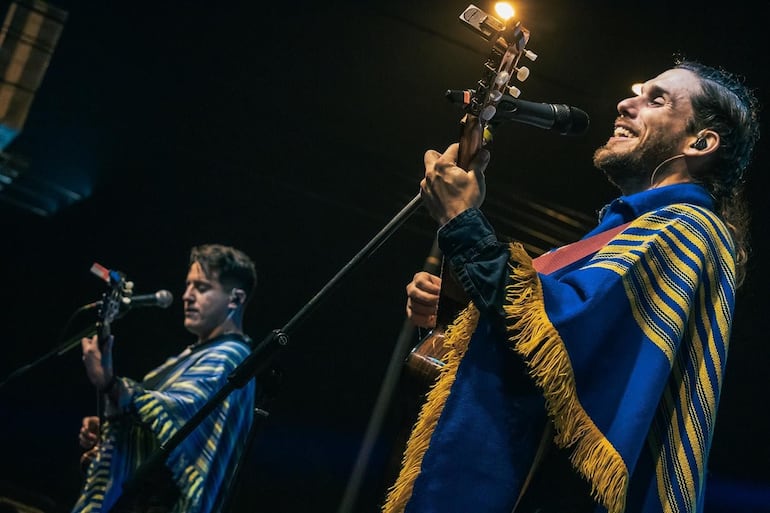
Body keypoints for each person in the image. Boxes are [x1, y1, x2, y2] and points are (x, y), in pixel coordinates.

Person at [381, 59, 760, 513]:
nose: (625, 102)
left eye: (656, 99)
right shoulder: (621, 235)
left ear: (700, 142)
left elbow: (559, 330)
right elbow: (544, 342)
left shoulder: (689, 228)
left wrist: (463, 223)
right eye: (637, 91)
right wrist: (459, 309)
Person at [72, 244, 258, 513]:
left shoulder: (231, 356)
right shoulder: (190, 356)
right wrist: (112, 427)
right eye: (188, 285)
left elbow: (178, 415)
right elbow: (155, 428)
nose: (187, 296)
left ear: (235, 299)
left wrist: (112, 385)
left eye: (202, 288)